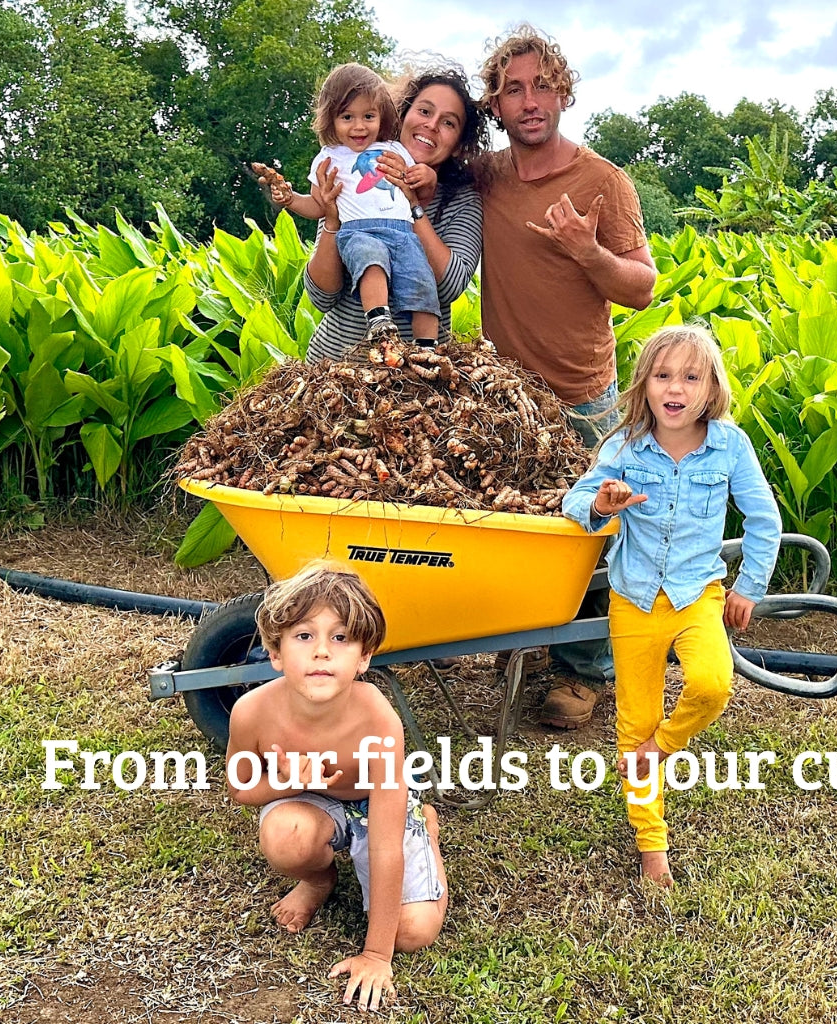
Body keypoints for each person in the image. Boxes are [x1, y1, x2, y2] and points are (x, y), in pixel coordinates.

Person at [473, 23, 659, 729]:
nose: (529, 101)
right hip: (504, 392)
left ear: (563, 94)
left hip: (582, 395)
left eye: (541, 86)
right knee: (516, 528)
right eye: (512, 88)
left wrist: (587, 251)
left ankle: (584, 671)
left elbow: (641, 287)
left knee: (592, 534)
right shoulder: (485, 177)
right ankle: (523, 640)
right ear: (496, 103)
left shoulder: (603, 181)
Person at [560, 325, 782, 888]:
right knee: (634, 724)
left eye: (691, 376)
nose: (675, 387)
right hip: (633, 599)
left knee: (712, 683)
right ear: (645, 385)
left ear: (711, 388)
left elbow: (764, 519)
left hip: (696, 593)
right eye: (663, 375)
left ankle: (664, 747)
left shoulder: (730, 445)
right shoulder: (627, 444)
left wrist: (749, 586)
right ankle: (650, 841)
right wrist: (602, 503)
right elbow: (577, 499)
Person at [223, 561, 448, 1011]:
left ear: (363, 656)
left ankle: (428, 830)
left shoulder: (377, 721)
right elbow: (240, 789)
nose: (322, 652)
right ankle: (318, 879)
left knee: (414, 931)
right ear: (275, 652)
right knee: (285, 838)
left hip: (376, 805)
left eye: (340, 637)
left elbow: (384, 844)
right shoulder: (251, 712)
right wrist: (284, 783)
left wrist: (376, 954)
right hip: (307, 801)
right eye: (304, 636)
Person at [258, 59, 488, 362]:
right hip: (337, 368)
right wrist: (331, 217)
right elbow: (322, 297)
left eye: (448, 122)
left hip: (416, 381)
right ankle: (379, 325)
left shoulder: (462, 201)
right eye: (424, 111)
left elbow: (448, 288)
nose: (431, 125)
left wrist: (414, 204)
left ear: (459, 143)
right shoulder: (351, 170)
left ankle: (425, 350)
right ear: (401, 116)